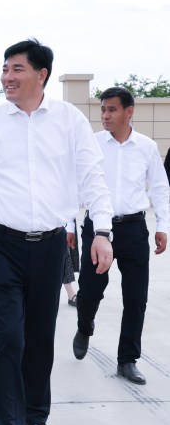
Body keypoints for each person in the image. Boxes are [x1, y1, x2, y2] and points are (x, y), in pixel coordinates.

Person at [0, 39, 113, 425]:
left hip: (51, 245)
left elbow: (93, 176)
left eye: (16, 69)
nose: (7, 77)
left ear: (41, 75)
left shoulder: (69, 120)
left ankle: (34, 417)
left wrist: (102, 231)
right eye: (4, 69)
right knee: (7, 334)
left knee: (40, 335)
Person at [72, 87, 169, 385]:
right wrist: (68, 227)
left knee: (136, 298)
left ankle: (127, 359)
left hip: (134, 230)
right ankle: (85, 327)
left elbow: (161, 188)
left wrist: (163, 225)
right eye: (103, 109)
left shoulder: (147, 147)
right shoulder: (92, 144)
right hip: (97, 230)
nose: (105, 115)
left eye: (112, 109)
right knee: (89, 292)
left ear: (130, 111)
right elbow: (75, 186)